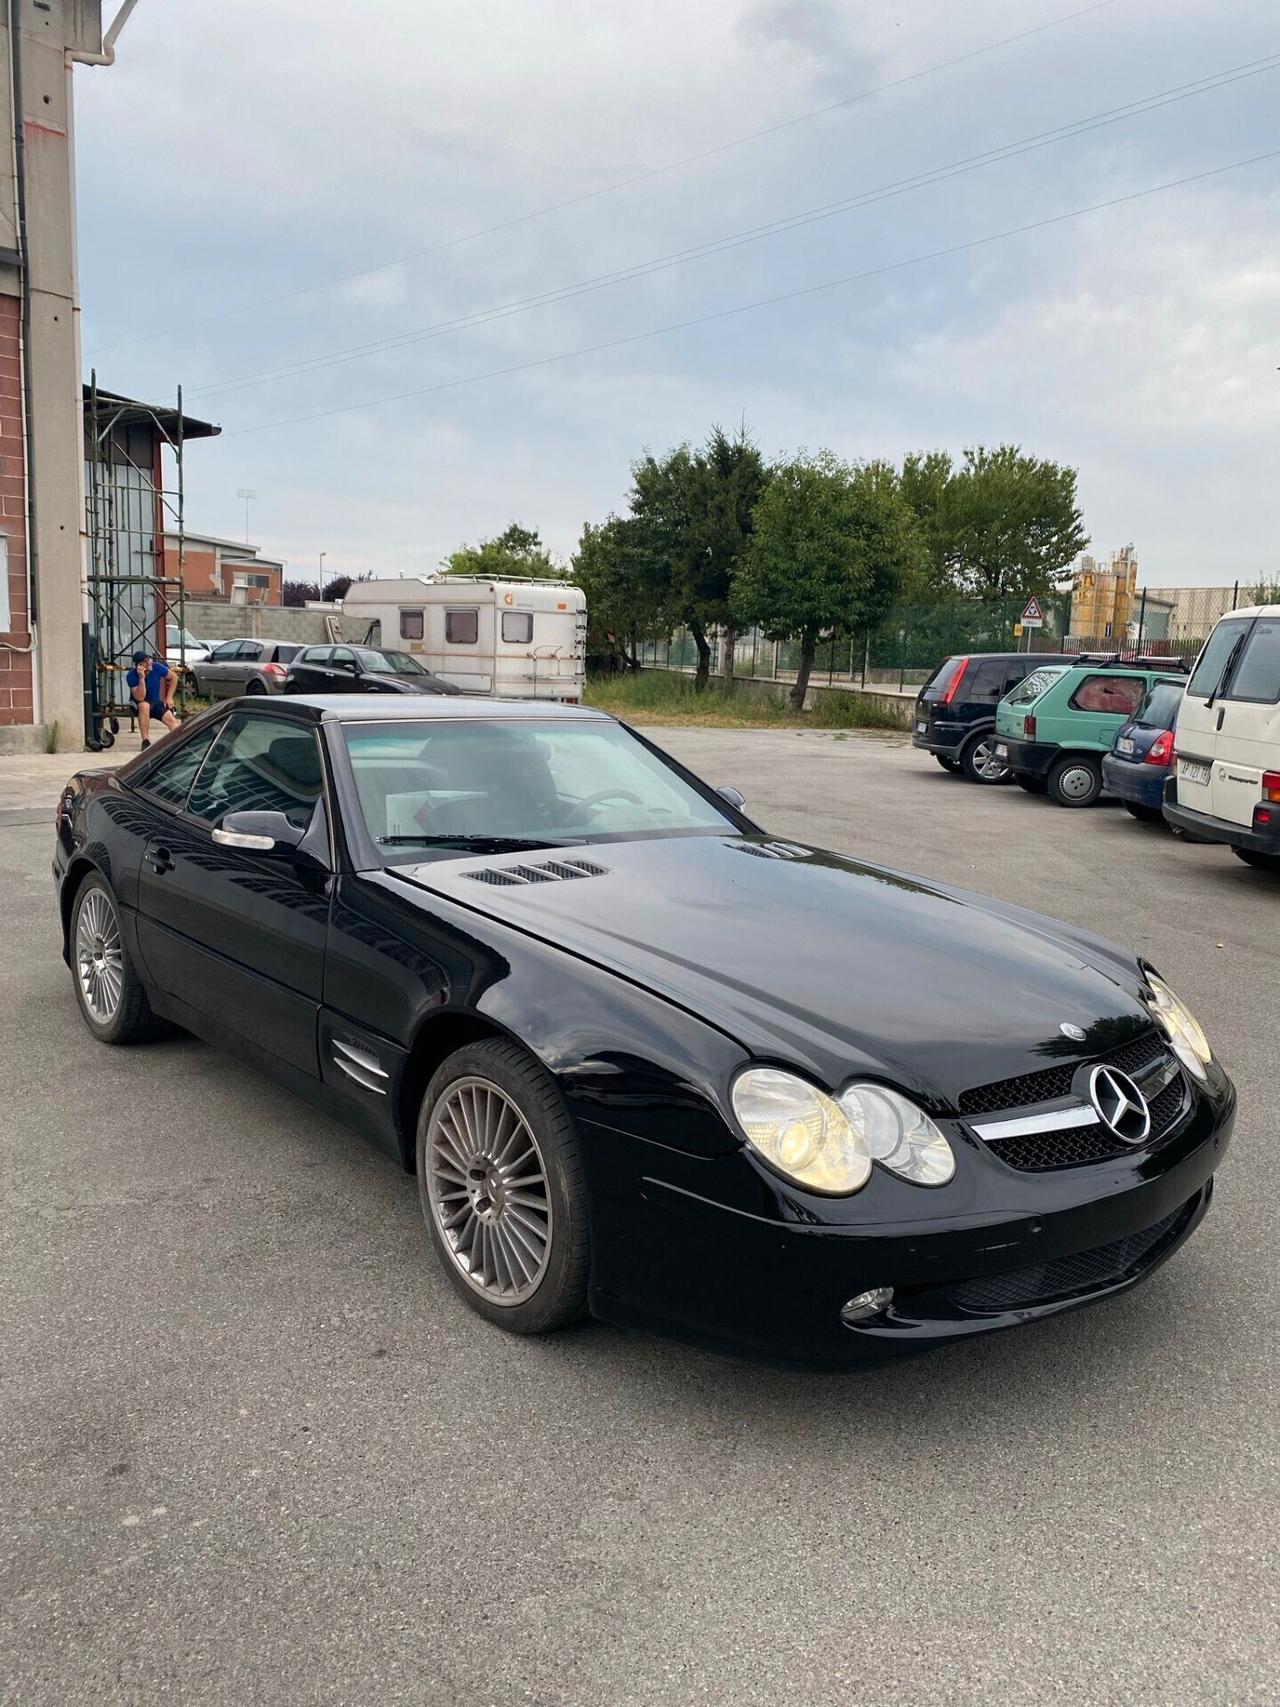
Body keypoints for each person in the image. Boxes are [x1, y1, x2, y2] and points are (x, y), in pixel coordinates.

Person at [125, 651, 179, 748]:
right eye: (146, 661)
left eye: (149, 659)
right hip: (139, 703)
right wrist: (142, 678)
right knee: (144, 706)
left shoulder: (156, 667)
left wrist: (169, 697)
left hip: (155, 701)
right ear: (139, 665)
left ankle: (178, 742)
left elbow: (174, 677)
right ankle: (145, 741)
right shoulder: (131, 675)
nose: (149, 662)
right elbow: (140, 697)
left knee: (170, 719)